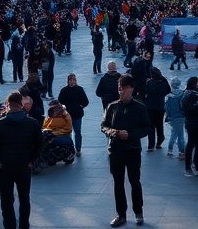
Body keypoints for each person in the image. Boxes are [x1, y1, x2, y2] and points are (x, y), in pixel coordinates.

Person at [100, 74, 150, 227]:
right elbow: (104, 125)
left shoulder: (140, 107)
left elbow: (146, 128)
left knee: (135, 181)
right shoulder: (112, 106)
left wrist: (131, 134)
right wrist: (113, 132)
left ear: (131, 89)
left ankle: (138, 211)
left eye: (124, 88)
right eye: (119, 88)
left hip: (132, 150)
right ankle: (121, 214)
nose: (121, 91)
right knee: (118, 183)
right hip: (115, 150)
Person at [0, 91, 43, 229]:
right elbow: (39, 145)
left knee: (6, 200)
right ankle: (24, 225)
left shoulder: (1, 124)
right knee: (24, 198)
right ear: (21, 104)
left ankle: (10, 225)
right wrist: (31, 160)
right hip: (24, 166)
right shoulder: (32, 123)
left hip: (6, 167)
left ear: (8, 104)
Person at [58, 73, 90, 155]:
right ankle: (69, 148)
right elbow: (60, 101)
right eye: (70, 80)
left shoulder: (80, 89)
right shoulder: (64, 90)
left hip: (77, 114)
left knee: (77, 132)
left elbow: (86, 101)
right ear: (68, 81)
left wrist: (80, 106)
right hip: (67, 115)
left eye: (74, 80)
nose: (72, 82)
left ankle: (78, 148)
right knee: (67, 132)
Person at [164, 77, 187, 157]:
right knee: (180, 134)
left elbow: (167, 108)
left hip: (173, 117)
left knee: (174, 132)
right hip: (181, 116)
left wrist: (168, 116)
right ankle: (181, 151)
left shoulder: (169, 95)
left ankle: (170, 149)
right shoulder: (183, 93)